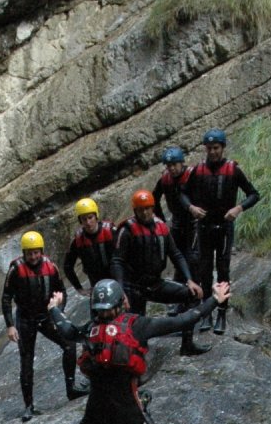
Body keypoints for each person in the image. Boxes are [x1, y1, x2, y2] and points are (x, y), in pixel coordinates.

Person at [52, 278, 230, 424]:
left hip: (96, 417)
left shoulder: (89, 330)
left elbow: (67, 330)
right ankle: (142, 402)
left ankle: (138, 404)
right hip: (129, 416)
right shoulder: (138, 325)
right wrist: (215, 299)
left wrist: (54, 308)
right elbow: (185, 319)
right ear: (122, 303)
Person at [111, 190, 207, 357]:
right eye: (141, 209)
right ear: (135, 211)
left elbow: (176, 254)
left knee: (190, 295)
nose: (145, 212)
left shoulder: (161, 227)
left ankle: (187, 344)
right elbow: (117, 261)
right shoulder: (126, 230)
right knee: (136, 327)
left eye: (148, 208)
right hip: (134, 286)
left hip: (155, 283)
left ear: (153, 208)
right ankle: (136, 361)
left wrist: (189, 279)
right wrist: (120, 290)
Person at [182, 129, 259, 333]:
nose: (213, 152)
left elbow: (253, 194)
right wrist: (191, 208)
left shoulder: (233, 170)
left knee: (223, 272)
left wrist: (238, 208)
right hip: (205, 227)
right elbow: (182, 194)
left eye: (216, 148)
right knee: (205, 272)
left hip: (224, 227)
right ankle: (207, 313)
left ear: (222, 148)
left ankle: (222, 315)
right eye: (209, 149)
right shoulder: (197, 170)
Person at [3, 231, 83, 422]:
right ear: (24, 253)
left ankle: (71, 388)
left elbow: (61, 290)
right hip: (25, 319)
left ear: (41, 251)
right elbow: (6, 298)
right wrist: (10, 326)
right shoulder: (16, 269)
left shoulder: (50, 267)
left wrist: (59, 309)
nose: (33, 257)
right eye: (29, 253)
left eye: (36, 252)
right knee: (27, 360)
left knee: (69, 345)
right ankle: (29, 406)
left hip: (46, 316)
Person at [152, 145, 196, 278]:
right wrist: (161, 220)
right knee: (178, 256)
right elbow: (154, 198)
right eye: (168, 165)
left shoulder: (192, 175)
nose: (171, 168)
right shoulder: (165, 180)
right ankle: (182, 282)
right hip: (177, 222)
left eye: (174, 164)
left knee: (192, 257)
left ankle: (193, 283)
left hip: (194, 222)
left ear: (181, 163)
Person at [62, 199, 116, 295]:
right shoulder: (78, 241)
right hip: (96, 285)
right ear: (80, 221)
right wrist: (79, 289)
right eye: (84, 219)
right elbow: (67, 266)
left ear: (96, 216)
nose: (88, 222)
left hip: (117, 280)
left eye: (90, 217)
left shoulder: (111, 231)